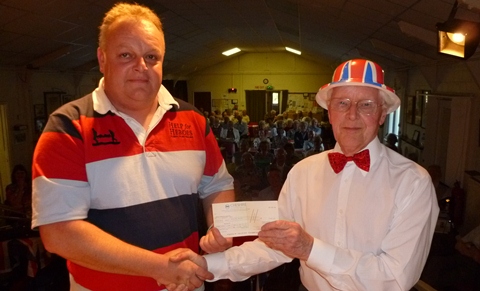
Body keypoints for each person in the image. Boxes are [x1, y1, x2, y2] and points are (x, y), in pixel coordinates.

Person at [31, 3, 234, 291]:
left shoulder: (193, 120)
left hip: (185, 285)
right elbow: (59, 232)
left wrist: (219, 226)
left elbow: (217, 184)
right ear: (102, 60)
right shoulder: (68, 126)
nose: (141, 67)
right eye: (126, 55)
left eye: (152, 56)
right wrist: (159, 267)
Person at [198, 59, 439, 290]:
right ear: (329, 112)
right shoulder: (303, 172)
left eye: (366, 104)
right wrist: (206, 265)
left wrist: (309, 249)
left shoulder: (413, 182)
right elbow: (274, 248)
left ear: (382, 114)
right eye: (342, 103)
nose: (352, 114)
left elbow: (395, 278)